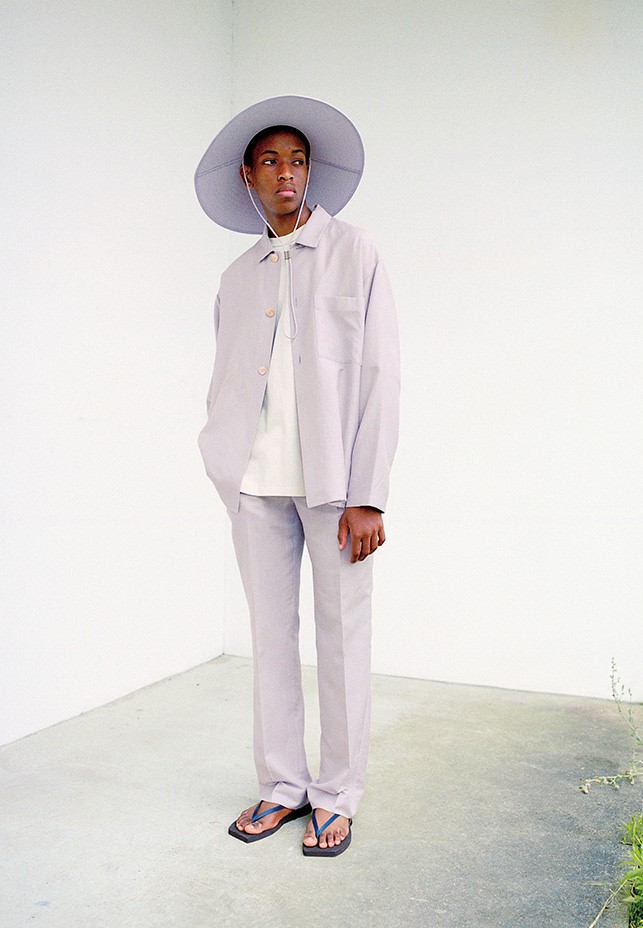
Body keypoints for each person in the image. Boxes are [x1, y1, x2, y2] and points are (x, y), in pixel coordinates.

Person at [194, 96, 400, 857]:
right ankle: (282, 785)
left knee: (342, 639)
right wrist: (223, 464)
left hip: (334, 490)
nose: (286, 172)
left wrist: (368, 494)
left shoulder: (355, 252)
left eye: (298, 160)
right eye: (270, 161)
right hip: (256, 488)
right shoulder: (237, 275)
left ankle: (337, 796)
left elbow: (380, 376)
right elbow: (227, 377)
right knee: (270, 641)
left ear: (310, 172)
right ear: (248, 176)